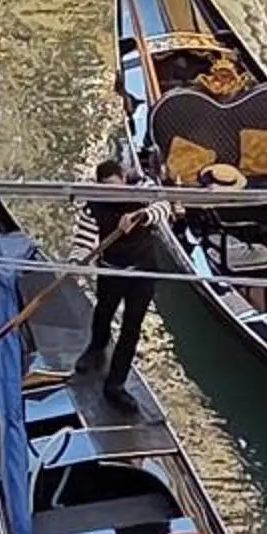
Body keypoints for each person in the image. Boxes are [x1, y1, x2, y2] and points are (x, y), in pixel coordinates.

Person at [71, 157, 171, 408]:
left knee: (131, 327)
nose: (113, 194)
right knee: (103, 311)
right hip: (111, 270)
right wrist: (75, 261)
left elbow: (164, 208)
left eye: (116, 187)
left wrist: (139, 215)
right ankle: (96, 348)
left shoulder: (143, 189)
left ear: (124, 179)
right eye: (107, 189)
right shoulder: (94, 205)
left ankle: (115, 385)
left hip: (142, 272)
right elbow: (84, 240)